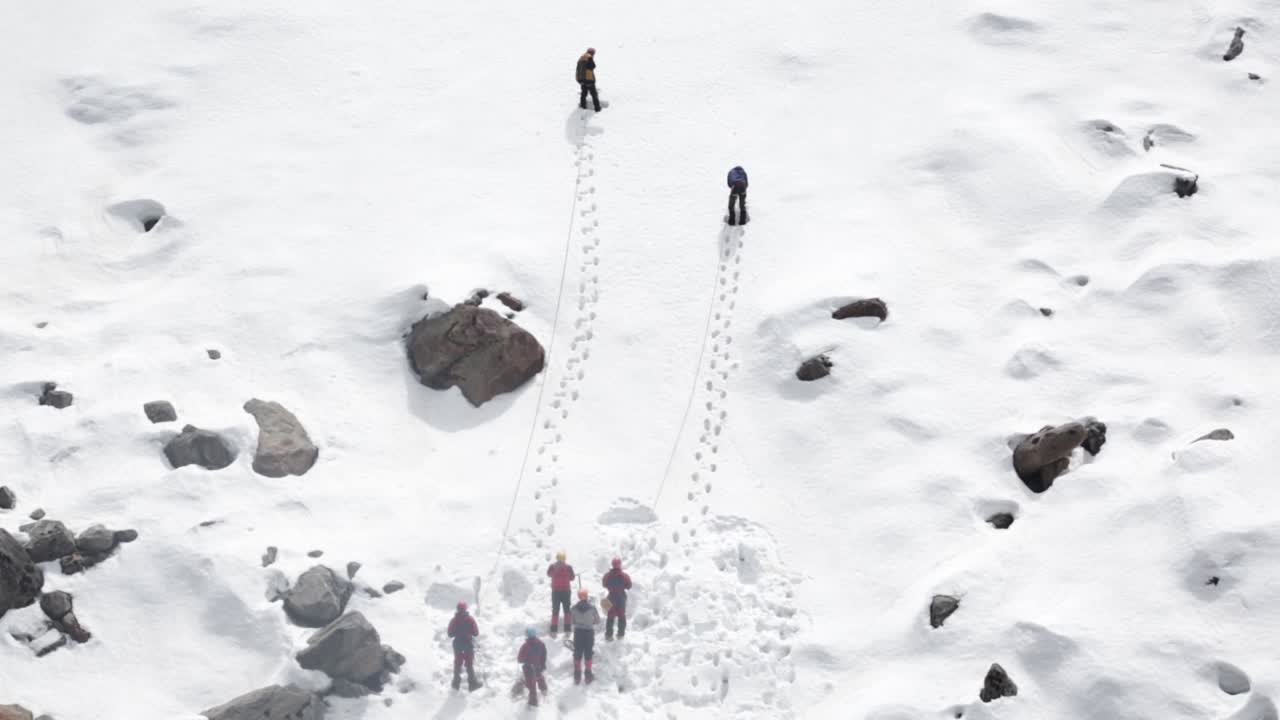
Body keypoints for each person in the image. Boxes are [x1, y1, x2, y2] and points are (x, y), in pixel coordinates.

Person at [447, 601, 481, 691]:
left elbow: (450, 634)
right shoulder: (470, 619)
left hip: (457, 644)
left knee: (457, 663)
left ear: (457, 609)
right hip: (468, 644)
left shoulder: (453, 620)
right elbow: (476, 633)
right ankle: (472, 684)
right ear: (465, 609)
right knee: (469, 664)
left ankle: (455, 684)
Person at [569, 588, 601, 684]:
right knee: (588, 653)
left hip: (578, 632)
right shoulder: (592, 608)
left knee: (577, 653)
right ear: (587, 596)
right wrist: (591, 622)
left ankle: (577, 676)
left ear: (579, 597)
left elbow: (572, 621)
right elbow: (597, 620)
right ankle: (588, 675)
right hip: (588, 632)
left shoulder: (573, 608)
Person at [602, 557, 633, 641]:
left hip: (611, 597)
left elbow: (604, 584)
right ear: (620, 565)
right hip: (621, 598)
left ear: (612, 565)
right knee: (621, 616)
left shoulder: (607, 575)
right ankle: (620, 634)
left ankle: (609, 635)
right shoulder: (624, 576)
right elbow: (629, 585)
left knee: (610, 616)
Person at [517, 626, 548, 707]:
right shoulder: (541, 643)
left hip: (528, 667)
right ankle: (544, 689)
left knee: (531, 684)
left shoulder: (525, 646)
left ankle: (533, 702)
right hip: (538, 665)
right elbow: (544, 655)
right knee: (539, 677)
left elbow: (520, 659)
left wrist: (522, 660)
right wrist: (542, 664)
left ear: (527, 635)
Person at [547, 550, 576, 636]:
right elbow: (572, 578)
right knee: (567, 610)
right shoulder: (568, 567)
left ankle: (553, 630)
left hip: (555, 592)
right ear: (564, 558)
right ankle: (567, 629)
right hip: (566, 591)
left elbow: (548, 574)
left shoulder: (552, 566)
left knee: (555, 611)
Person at [576, 48, 602, 112]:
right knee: (594, 94)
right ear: (592, 53)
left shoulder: (580, 58)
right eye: (593, 53)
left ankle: (583, 106)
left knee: (584, 93)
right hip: (589, 79)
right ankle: (597, 108)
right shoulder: (589, 57)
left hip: (581, 80)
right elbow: (593, 66)